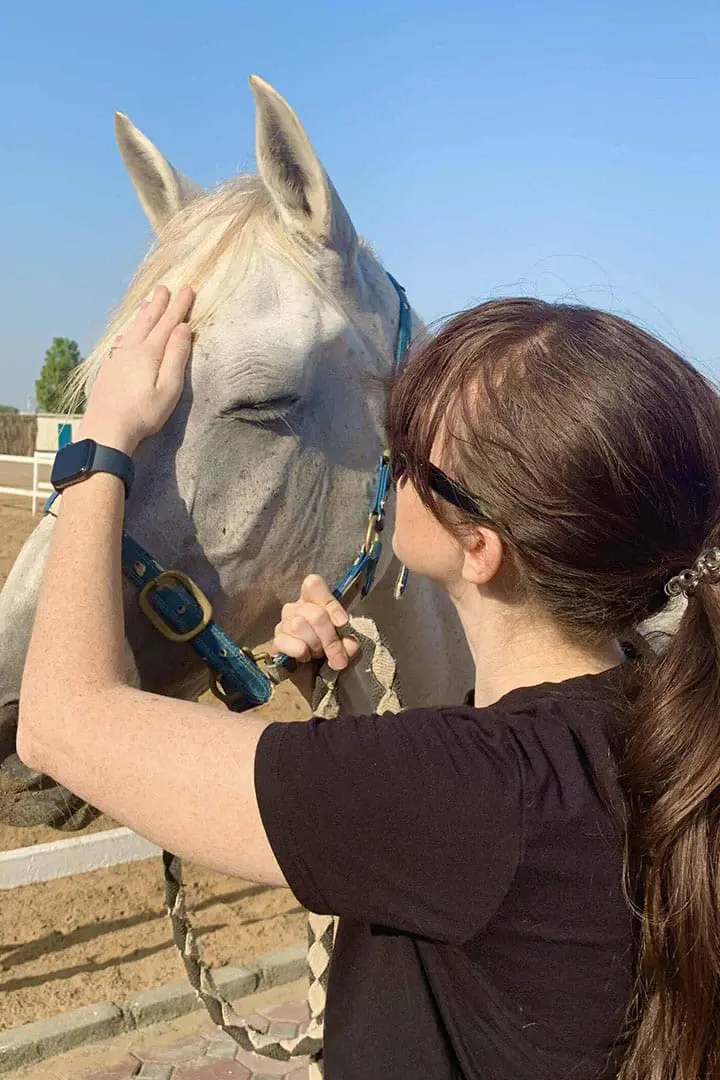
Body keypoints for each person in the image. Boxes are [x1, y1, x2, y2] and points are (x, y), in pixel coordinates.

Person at [17, 283, 720, 1080]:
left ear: (481, 548)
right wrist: (356, 709)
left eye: (410, 453)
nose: (390, 468)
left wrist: (101, 446)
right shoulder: (656, 718)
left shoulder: (467, 795)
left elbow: (58, 720)